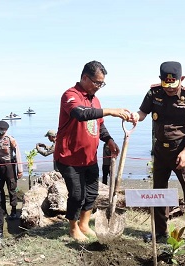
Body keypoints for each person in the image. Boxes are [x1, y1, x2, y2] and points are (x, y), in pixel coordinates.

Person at [129, 61, 185, 248]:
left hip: (181, 152)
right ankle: (160, 232)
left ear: (182, 79)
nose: (170, 89)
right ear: (161, 80)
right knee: (159, 192)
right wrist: (135, 116)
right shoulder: (154, 93)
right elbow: (142, 112)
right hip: (160, 152)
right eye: (166, 85)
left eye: (174, 85)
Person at [53, 60, 130, 242]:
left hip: (90, 157)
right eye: (97, 82)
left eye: (102, 83)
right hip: (69, 157)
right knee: (77, 195)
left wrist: (109, 140)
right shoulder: (70, 95)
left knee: (92, 193)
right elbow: (81, 114)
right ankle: (72, 228)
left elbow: (98, 124)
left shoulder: (95, 99)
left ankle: (84, 224)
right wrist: (110, 111)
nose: (99, 87)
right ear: (85, 78)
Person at [0, 120, 23, 219]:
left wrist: (20, 170)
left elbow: (17, 154)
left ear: (5, 130)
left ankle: (13, 211)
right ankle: (3, 210)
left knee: (11, 189)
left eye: (0, 129)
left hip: (9, 166)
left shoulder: (10, 139)